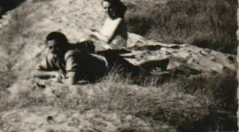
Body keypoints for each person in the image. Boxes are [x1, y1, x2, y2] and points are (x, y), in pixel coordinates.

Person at [34, 32, 166, 88]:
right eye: (50, 47)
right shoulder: (53, 56)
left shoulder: (71, 54)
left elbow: (71, 82)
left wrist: (58, 79)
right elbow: (36, 72)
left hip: (111, 65)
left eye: (56, 47)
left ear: (65, 45)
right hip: (104, 63)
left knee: (142, 78)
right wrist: (53, 73)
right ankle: (160, 63)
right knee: (137, 70)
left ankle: (166, 70)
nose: (53, 50)